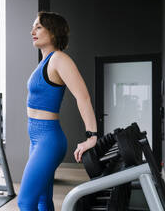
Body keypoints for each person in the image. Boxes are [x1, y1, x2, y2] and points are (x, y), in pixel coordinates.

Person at [17, 11, 98, 211]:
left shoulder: (59, 59)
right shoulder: (45, 61)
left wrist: (92, 136)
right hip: (35, 139)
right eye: (33, 26)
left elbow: (83, 97)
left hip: (48, 139)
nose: (32, 31)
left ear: (53, 32)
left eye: (38, 27)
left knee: (25, 202)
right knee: (43, 200)